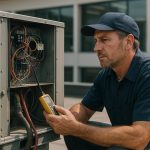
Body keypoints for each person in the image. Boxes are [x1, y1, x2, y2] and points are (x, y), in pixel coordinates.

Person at [44, 12, 150, 150]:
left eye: (104, 40)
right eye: (96, 41)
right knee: (72, 132)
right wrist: (68, 119)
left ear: (128, 42)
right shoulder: (106, 75)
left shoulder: (146, 74)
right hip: (133, 141)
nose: (96, 48)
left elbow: (139, 138)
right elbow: (84, 108)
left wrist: (77, 128)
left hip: (143, 142)